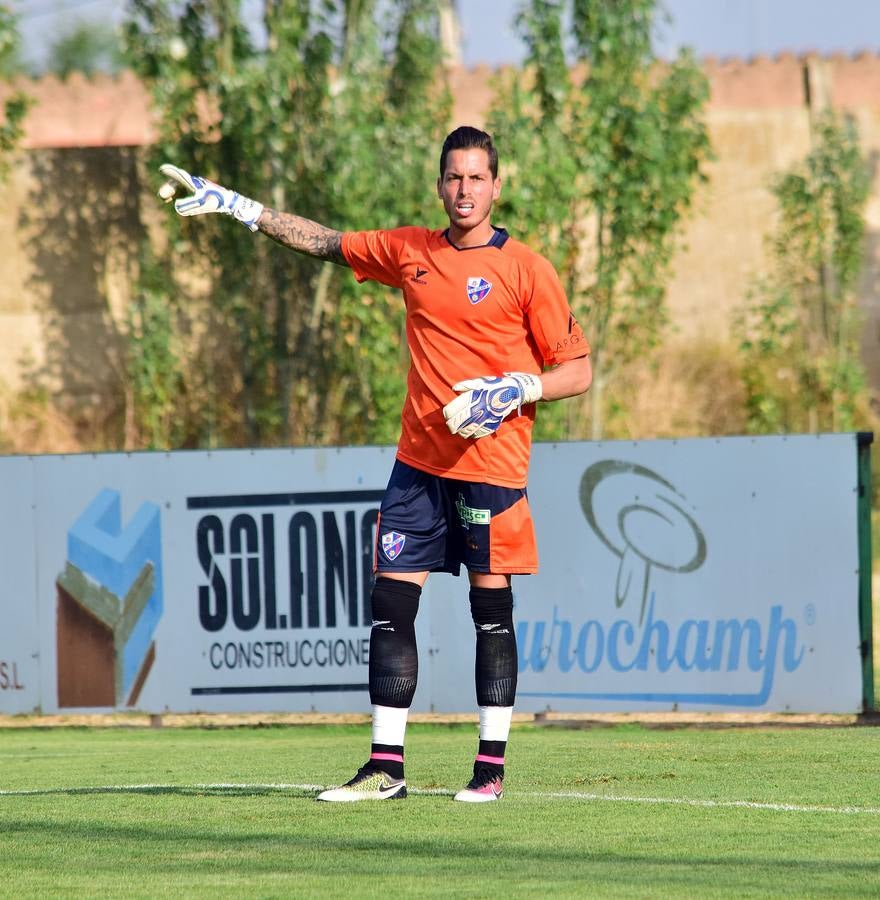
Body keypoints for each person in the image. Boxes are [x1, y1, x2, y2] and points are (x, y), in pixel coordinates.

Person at [158, 125, 592, 803]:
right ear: (439, 183)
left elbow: (579, 370)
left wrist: (520, 387)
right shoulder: (410, 250)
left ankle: (489, 771)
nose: (464, 190)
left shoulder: (527, 269)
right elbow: (327, 242)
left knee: (491, 611)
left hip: (492, 464)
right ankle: (386, 767)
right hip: (417, 463)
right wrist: (242, 207)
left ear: (497, 186)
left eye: (477, 178)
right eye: (453, 177)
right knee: (390, 604)